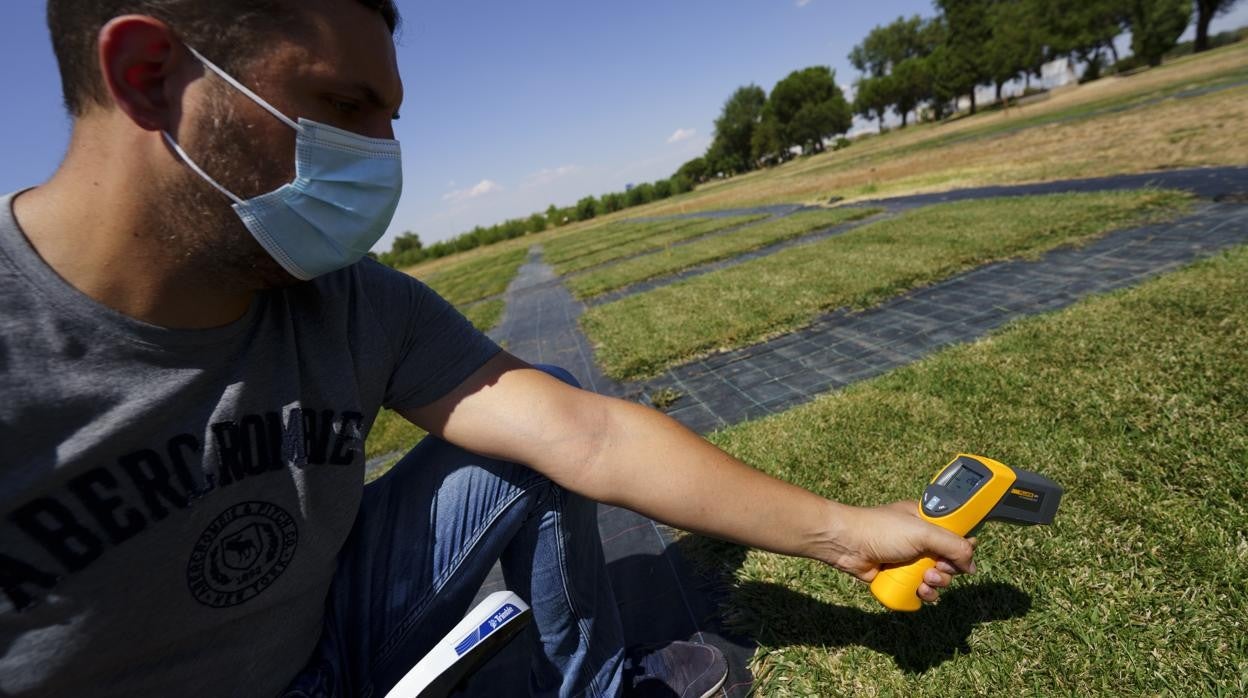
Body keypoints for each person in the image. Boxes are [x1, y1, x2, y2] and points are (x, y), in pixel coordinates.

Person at [0, 1, 977, 696]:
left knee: (533, 426)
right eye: (344, 107)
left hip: (332, 635)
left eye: (388, 119)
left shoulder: (349, 302)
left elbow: (588, 435)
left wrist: (845, 534)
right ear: (149, 76)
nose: (382, 157)